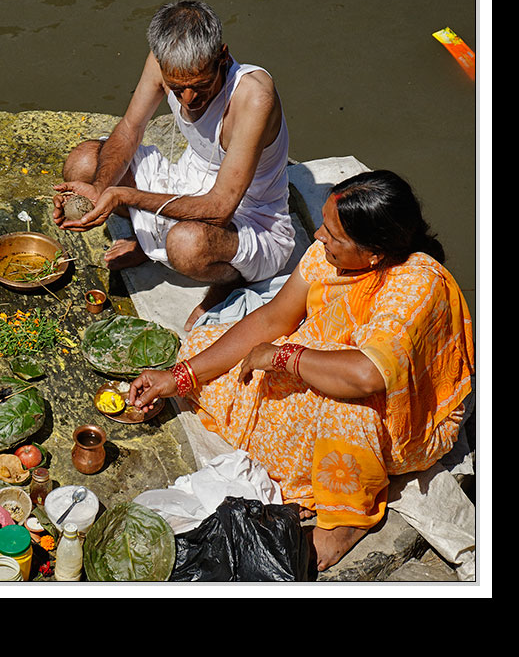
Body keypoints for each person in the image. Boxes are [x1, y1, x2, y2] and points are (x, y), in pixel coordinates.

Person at [127, 170, 475, 573]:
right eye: (324, 226)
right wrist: (179, 377)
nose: (318, 238)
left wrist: (281, 359)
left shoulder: (417, 286)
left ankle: (346, 521)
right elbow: (274, 317)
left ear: (374, 253)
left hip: (396, 417)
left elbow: (366, 376)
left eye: (333, 235)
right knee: (202, 344)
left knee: (348, 406)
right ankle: (292, 441)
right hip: (316, 367)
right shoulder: (328, 256)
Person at [52, 0, 295, 330]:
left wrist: (124, 196)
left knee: (185, 244)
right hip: (186, 181)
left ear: (222, 56)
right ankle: (148, 243)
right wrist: (99, 188)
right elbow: (130, 129)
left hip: (252, 219)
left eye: (200, 86)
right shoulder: (162, 59)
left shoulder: (253, 97)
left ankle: (229, 281)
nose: (188, 100)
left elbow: (221, 208)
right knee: (84, 163)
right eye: (177, 88)